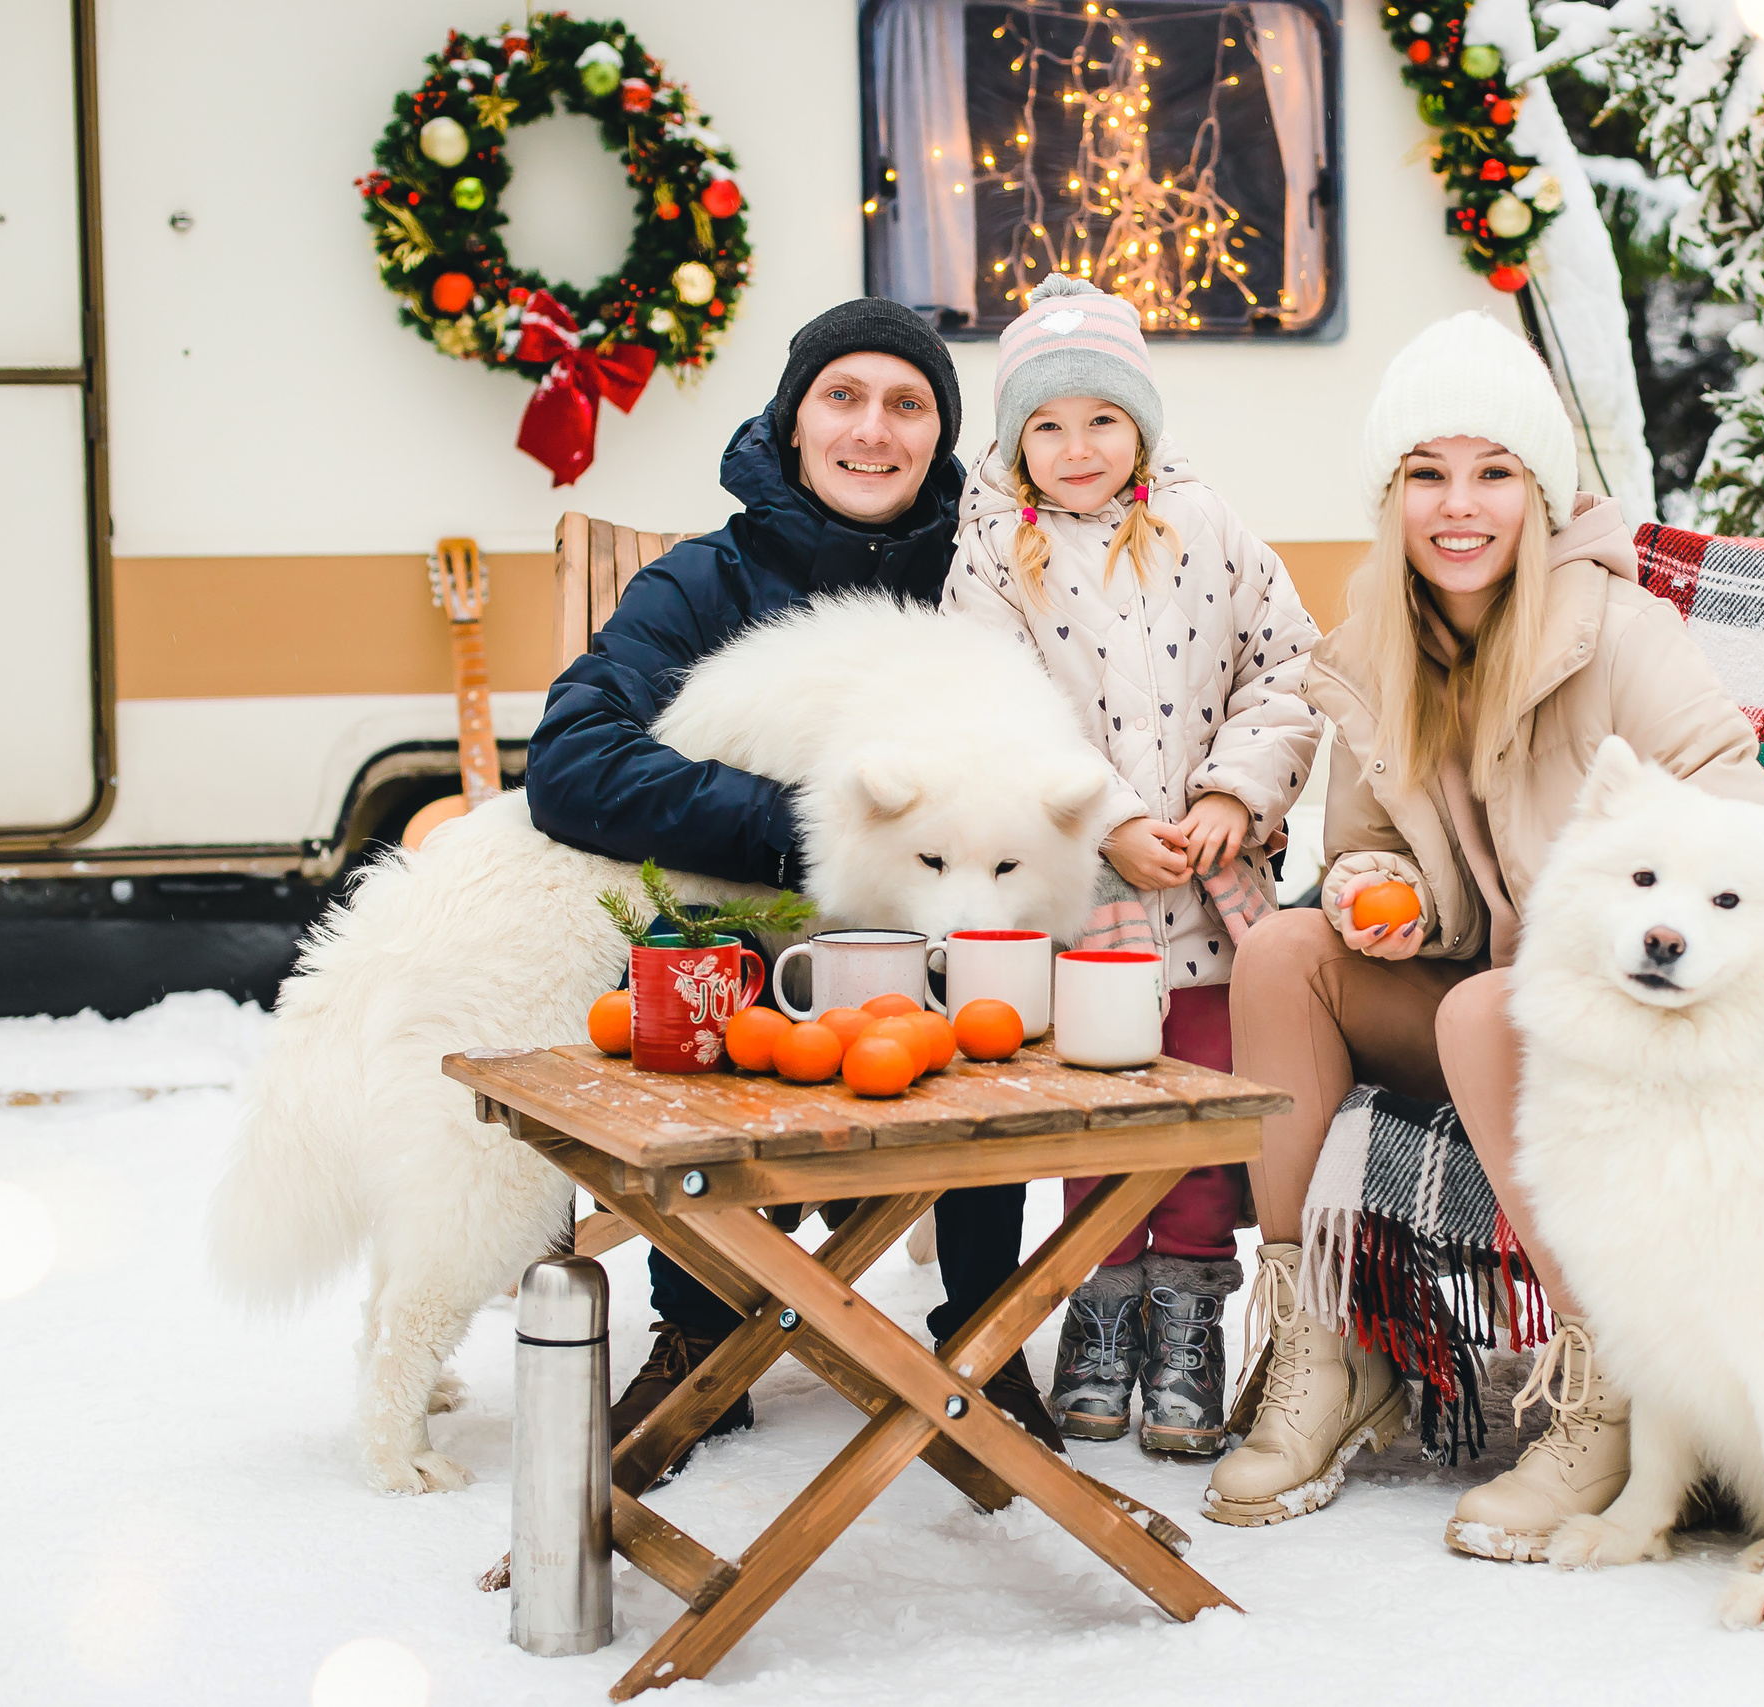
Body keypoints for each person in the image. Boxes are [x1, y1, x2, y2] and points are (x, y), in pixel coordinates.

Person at [1205, 312, 1764, 1553]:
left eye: (1493, 473)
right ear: (1390, 497)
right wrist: (1379, 892)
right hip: (1477, 999)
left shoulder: (1619, 635)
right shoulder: (1371, 651)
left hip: (1619, 1019)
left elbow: (1743, 821)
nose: (1457, 507)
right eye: (1426, 474)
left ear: (1540, 491)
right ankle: (1324, 1346)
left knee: (1488, 1004)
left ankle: (1607, 1387)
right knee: (1283, 954)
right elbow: (1361, 847)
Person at [523, 297, 1065, 1457]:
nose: (873, 429)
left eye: (907, 405)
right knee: (696, 955)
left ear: (940, 437)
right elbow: (571, 764)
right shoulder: (699, 586)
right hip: (747, 955)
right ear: (792, 419)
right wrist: (799, 833)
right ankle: (701, 1325)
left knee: (997, 959)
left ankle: (982, 1331)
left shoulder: (980, 582)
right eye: (843, 397)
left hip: (933, 974)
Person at [943, 275, 1322, 1456]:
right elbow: (992, 712)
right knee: (1102, 1113)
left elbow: (1286, 670)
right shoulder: (990, 555)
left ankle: (1189, 1312)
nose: (1077, 448)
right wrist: (1103, 819)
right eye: (1047, 425)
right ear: (1015, 441)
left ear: (1142, 425)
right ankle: (1101, 1304)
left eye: (1102, 419)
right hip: (1085, 898)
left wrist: (1231, 793)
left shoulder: (1211, 531)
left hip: (1210, 892)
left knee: (1198, 1112)